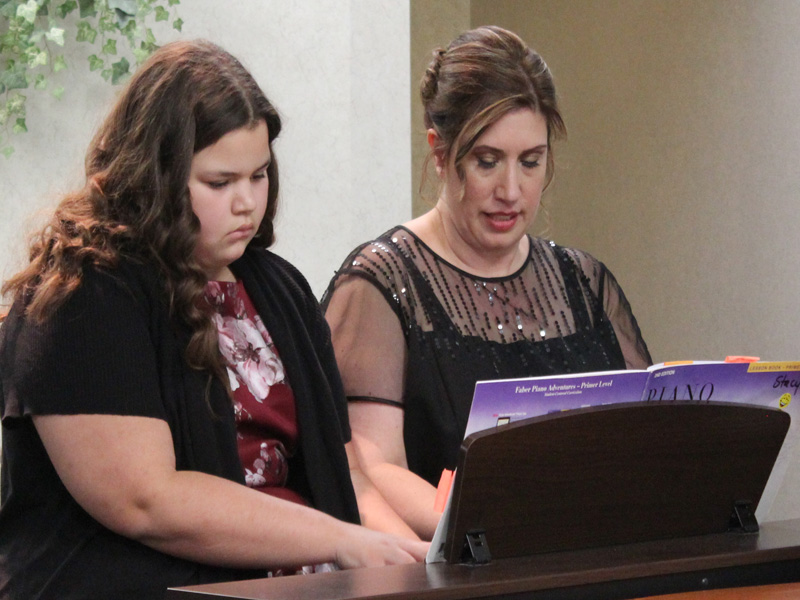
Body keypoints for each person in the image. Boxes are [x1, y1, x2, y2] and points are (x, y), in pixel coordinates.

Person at [0, 39, 427, 600]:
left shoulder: (279, 287)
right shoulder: (83, 294)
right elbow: (145, 501)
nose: (247, 202)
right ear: (154, 175)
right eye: (220, 183)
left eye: (259, 175)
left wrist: (415, 565)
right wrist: (339, 540)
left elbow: (345, 474)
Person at [321, 26, 653, 541]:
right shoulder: (381, 285)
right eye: (487, 161)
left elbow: (645, 443)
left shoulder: (584, 284)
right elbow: (373, 468)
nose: (511, 191)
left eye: (531, 162)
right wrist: (502, 526)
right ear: (439, 152)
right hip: (462, 562)